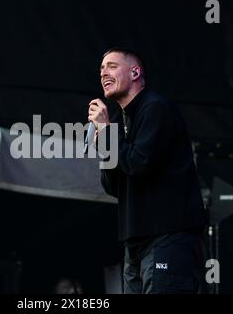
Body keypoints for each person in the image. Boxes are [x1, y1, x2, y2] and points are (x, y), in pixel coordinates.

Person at [88, 47, 208, 294]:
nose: (103, 73)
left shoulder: (155, 108)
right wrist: (105, 135)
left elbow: (137, 163)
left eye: (111, 66)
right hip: (136, 242)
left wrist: (107, 132)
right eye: (101, 68)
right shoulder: (121, 121)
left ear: (135, 72)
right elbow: (113, 186)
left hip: (167, 237)